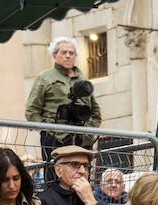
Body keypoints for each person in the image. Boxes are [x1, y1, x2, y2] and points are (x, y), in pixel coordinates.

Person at [26, 37, 102, 165]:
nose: (68, 56)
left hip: (82, 139)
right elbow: (31, 111)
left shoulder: (82, 78)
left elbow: (94, 108)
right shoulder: (44, 78)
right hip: (55, 140)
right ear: (55, 55)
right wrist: (49, 131)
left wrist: (90, 131)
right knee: (54, 177)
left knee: (82, 177)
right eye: (64, 52)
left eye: (71, 53)